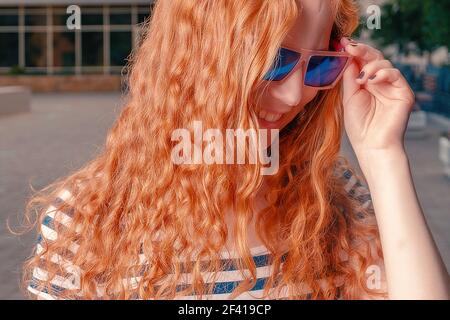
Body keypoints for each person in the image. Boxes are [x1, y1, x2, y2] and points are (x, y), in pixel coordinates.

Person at [22, 0, 449, 300]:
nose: (295, 94)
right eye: (273, 61)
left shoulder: (334, 202)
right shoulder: (85, 223)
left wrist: (383, 156)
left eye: (319, 64)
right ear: (196, 58)